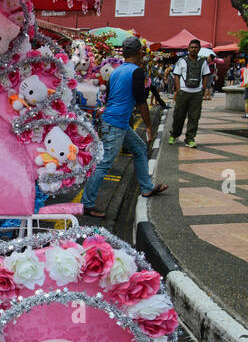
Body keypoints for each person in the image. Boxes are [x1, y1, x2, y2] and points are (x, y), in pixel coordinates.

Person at [81, 36, 168, 218]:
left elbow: (111, 96)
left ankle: (146, 187)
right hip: (115, 124)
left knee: (139, 148)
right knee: (105, 163)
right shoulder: (136, 72)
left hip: (115, 121)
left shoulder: (116, 71)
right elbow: (141, 102)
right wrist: (149, 126)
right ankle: (87, 204)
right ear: (140, 53)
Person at [168, 37, 212, 147]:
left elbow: (206, 75)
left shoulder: (203, 62)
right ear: (188, 48)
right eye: (191, 47)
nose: (193, 49)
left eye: (196, 47)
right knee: (179, 115)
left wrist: (202, 89)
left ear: (199, 49)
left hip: (196, 93)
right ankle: (174, 135)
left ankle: (190, 138)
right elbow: (176, 76)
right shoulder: (181, 61)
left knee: (194, 117)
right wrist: (179, 90)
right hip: (183, 92)